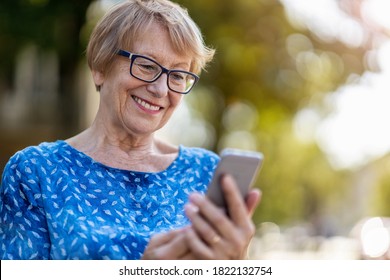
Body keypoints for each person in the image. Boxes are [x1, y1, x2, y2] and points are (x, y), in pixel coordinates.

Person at [0, 0, 261, 260]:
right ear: (100, 67)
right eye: (147, 65)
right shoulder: (34, 171)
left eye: (178, 75)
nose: (161, 90)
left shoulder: (206, 172)